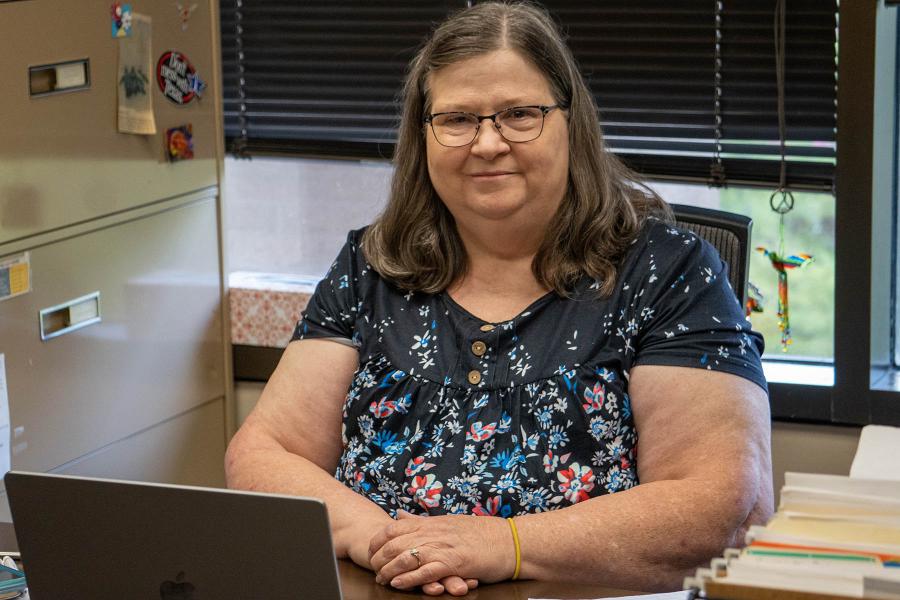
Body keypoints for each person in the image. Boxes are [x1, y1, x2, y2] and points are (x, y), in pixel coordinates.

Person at [225, 1, 773, 595]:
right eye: (457, 119)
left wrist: (500, 544)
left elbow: (717, 503)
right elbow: (263, 454)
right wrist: (385, 540)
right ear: (423, 134)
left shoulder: (667, 271)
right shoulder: (372, 265)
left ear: (571, 122)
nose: (487, 143)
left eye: (519, 114)